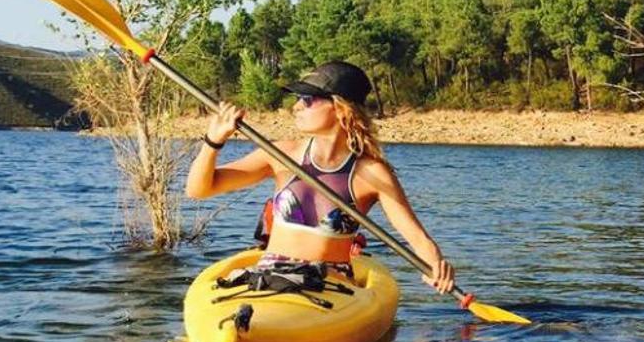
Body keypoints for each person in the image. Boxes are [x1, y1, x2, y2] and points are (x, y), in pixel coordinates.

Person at [184, 61, 455, 294]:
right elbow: (198, 190)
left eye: (308, 100)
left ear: (340, 108)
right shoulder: (281, 154)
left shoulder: (371, 173)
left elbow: (418, 239)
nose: (296, 107)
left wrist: (436, 267)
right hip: (270, 277)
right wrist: (214, 141)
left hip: (329, 287)